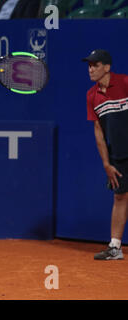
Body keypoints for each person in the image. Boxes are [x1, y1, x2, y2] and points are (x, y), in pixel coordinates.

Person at [83, 49, 128, 260]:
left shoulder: (125, 82)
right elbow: (98, 132)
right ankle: (115, 247)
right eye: (89, 65)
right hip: (118, 154)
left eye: (96, 65)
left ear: (107, 67)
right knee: (120, 197)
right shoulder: (92, 95)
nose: (91, 69)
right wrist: (106, 163)